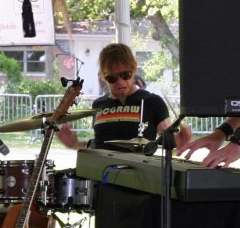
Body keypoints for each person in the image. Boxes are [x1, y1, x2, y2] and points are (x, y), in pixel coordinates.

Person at [57, 43, 190, 151]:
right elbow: (99, 146)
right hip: (102, 177)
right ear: (104, 77)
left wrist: (179, 141)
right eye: (112, 78)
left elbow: (168, 136)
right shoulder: (98, 106)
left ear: (134, 70)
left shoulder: (152, 101)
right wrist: (74, 144)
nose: (120, 81)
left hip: (138, 178)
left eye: (125, 75)